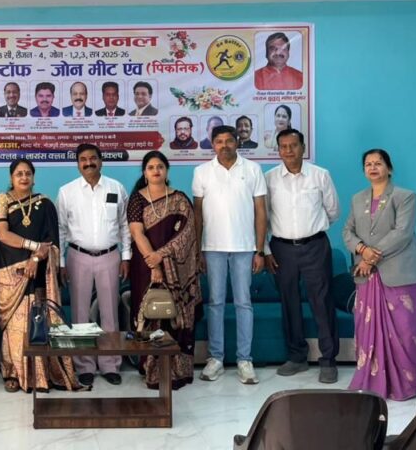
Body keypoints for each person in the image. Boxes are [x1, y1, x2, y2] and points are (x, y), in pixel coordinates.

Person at [343, 149, 416, 401]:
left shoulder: (405, 196)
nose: (373, 168)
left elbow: (402, 233)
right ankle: (372, 382)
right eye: (368, 164)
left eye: (378, 163)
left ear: (389, 168)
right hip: (368, 277)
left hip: (400, 273)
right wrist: (361, 250)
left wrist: (370, 257)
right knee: (368, 329)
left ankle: (406, 385)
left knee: (405, 329)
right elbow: (347, 231)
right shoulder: (357, 199)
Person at [0, 159, 82, 393]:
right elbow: (2, 235)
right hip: (9, 272)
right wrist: (34, 248)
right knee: (14, 325)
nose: (23, 177)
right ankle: (13, 372)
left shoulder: (46, 203)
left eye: (27, 173)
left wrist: (35, 258)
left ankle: (43, 374)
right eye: (18, 174)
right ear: (11, 178)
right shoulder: (1, 200)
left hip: (39, 271)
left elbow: (52, 243)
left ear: (33, 177)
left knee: (39, 321)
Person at [192, 125, 267, 385]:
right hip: (212, 248)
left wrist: (260, 250)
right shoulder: (202, 172)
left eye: (229, 140)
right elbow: (197, 214)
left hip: (245, 247)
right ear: (212, 145)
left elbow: (260, 211)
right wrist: (197, 251)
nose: (224, 145)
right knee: (215, 303)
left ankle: (245, 360)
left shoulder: (253, 169)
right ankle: (216, 358)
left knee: (244, 303)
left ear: (238, 142)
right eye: (219, 141)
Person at [264, 130, 340, 384]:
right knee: (289, 302)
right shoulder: (269, 179)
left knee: (322, 302)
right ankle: (297, 357)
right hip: (281, 248)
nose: (289, 150)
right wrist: (266, 250)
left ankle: (328, 360)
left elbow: (333, 211)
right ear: (278, 150)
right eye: (283, 146)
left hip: (315, 246)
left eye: (293, 145)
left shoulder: (320, 175)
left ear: (303, 147)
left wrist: (310, 230)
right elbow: (262, 217)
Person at [57, 144, 131, 386]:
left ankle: (110, 364)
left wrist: (126, 257)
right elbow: (60, 229)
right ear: (78, 164)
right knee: (79, 314)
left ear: (101, 161)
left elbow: (125, 225)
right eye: (83, 159)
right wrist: (61, 263)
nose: (88, 162)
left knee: (110, 312)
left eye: (93, 158)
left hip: (110, 256)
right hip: (77, 257)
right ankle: (84, 365)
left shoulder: (116, 188)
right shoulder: (66, 192)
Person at [128, 152, 201, 390]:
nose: (156, 170)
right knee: (149, 312)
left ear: (167, 170)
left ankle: (178, 369)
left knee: (174, 316)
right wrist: (155, 263)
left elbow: (188, 233)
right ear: (144, 172)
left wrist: (163, 254)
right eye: (151, 167)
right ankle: (150, 367)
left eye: (160, 166)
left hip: (178, 269)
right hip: (145, 266)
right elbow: (137, 233)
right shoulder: (137, 199)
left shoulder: (179, 199)